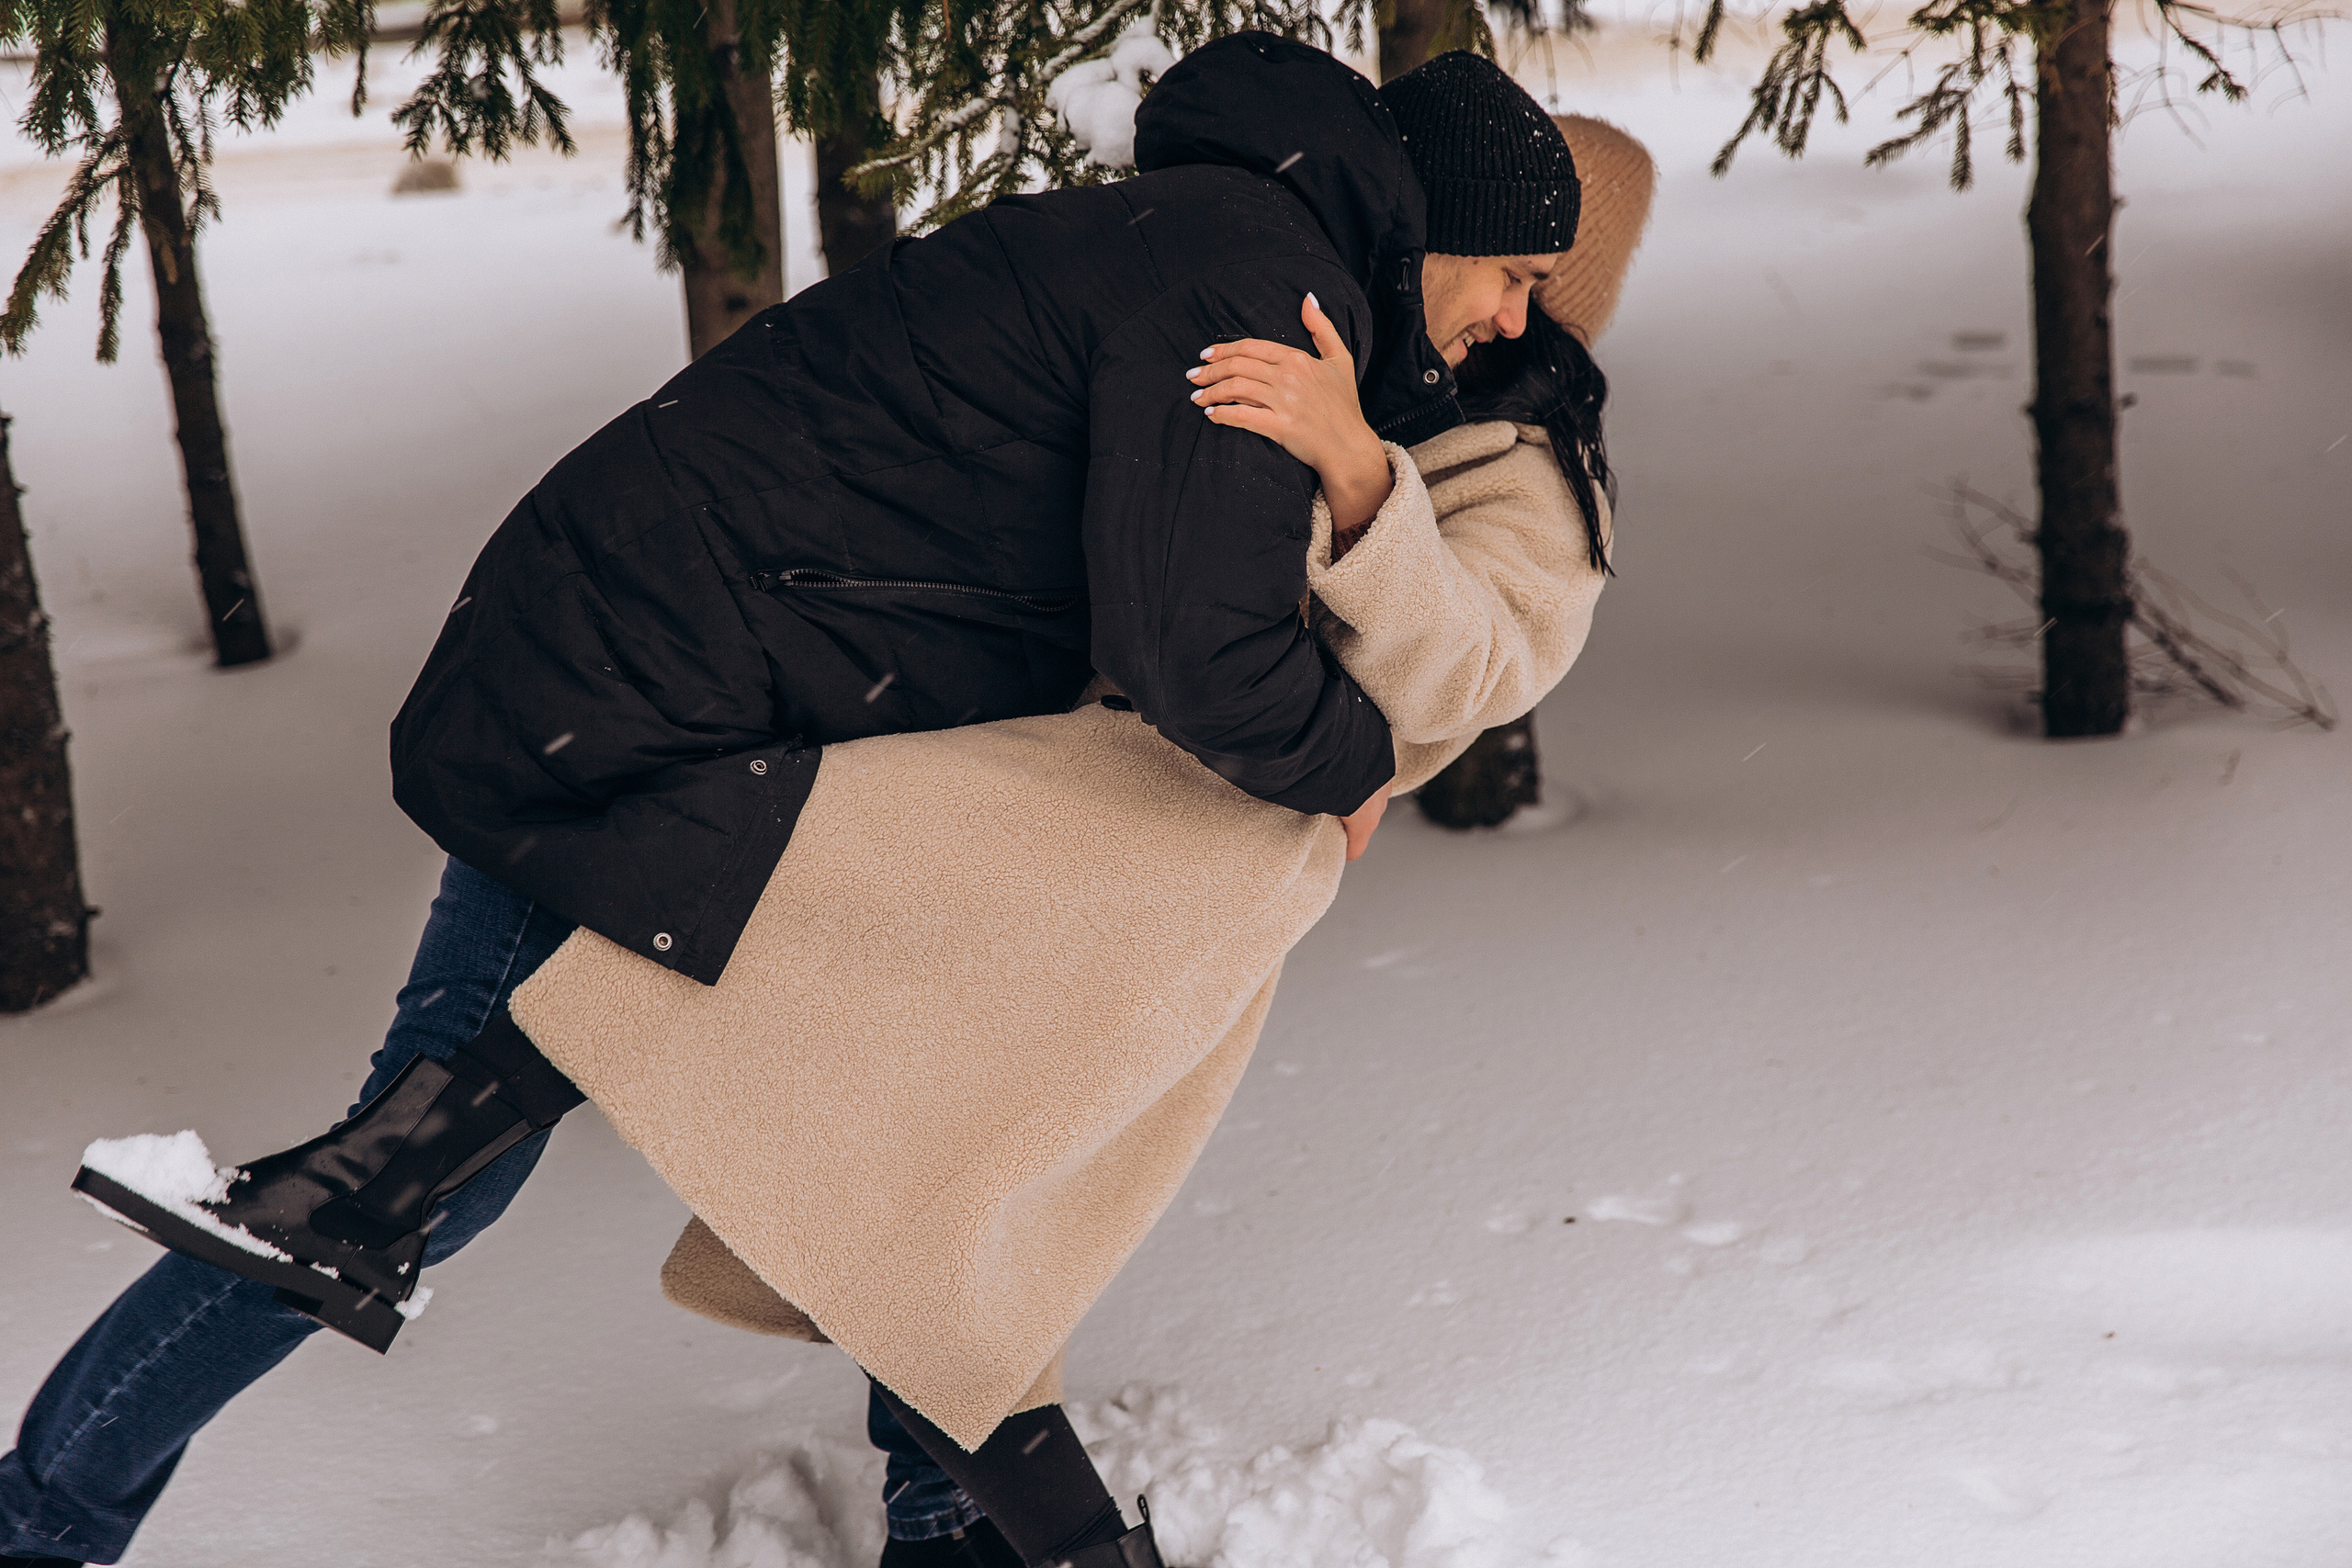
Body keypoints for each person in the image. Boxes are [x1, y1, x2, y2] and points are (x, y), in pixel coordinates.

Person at [1, 41, 1598, 1568]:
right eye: (1516, 276)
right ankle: (39, 1519)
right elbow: (1202, 652)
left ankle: (952, 1514)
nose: (1517, 317)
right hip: (642, 689)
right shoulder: (1254, 283)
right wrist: (1349, 773)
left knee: (921, 1114)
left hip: (664, 652)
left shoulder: (1229, 240)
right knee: (407, 1177)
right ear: (1438, 232)